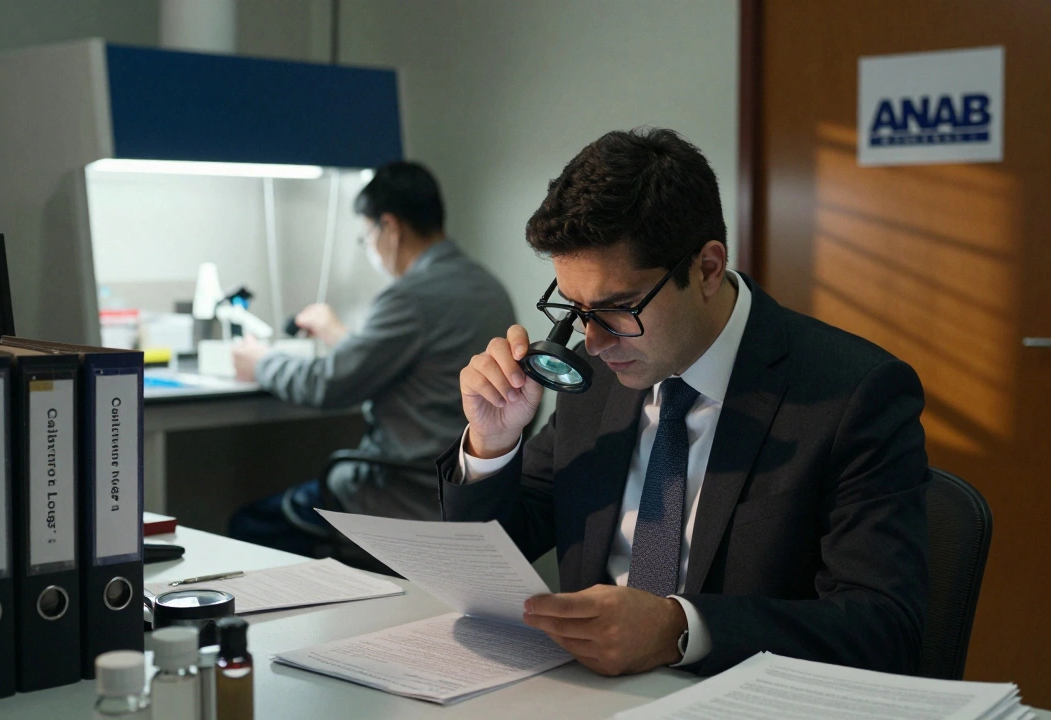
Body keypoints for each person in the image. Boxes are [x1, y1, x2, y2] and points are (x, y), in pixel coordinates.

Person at [441, 129, 928, 677]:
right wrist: (492, 443)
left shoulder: (853, 394)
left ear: (707, 268)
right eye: (575, 308)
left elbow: (883, 626)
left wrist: (680, 630)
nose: (593, 343)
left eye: (619, 307)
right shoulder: (600, 373)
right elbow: (496, 557)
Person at [230, 161, 516, 556]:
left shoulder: (412, 295)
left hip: (400, 493)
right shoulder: (487, 287)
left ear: (390, 227)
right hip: (461, 490)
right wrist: (338, 335)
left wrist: (261, 361)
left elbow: (326, 385)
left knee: (248, 525)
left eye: (366, 237)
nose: (371, 249)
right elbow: (421, 367)